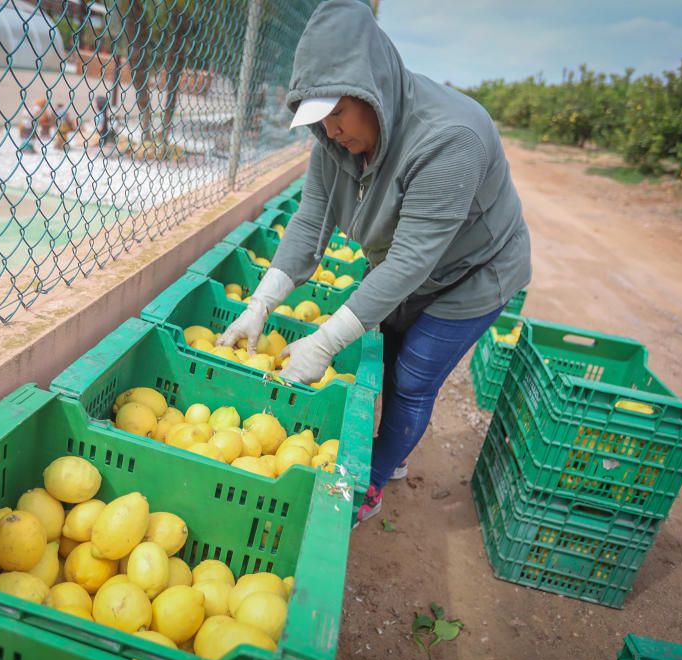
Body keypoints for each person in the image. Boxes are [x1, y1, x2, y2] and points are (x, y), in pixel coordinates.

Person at [216, 0, 531, 523]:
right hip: (402, 265)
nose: (331, 130)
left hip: (472, 274)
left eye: (338, 112)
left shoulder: (451, 138)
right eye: (321, 119)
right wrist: (262, 302)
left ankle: (375, 479)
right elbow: (310, 221)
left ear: (372, 90)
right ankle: (387, 447)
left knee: (411, 379)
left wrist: (324, 341)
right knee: (384, 355)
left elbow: (411, 259)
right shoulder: (333, 141)